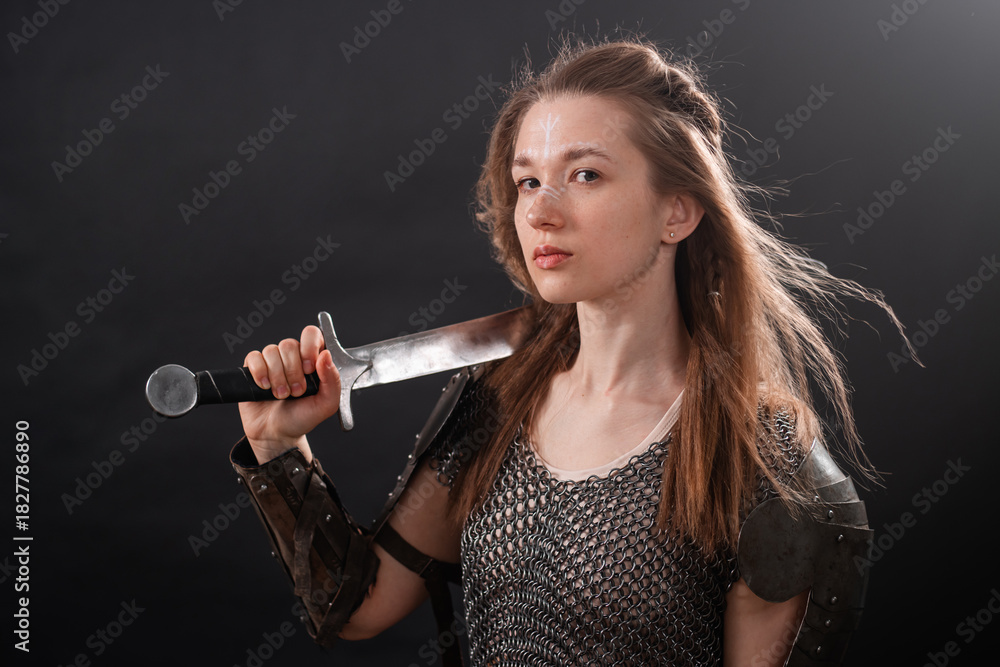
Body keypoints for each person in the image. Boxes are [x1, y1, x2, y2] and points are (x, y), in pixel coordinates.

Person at [229, 37, 905, 666]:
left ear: (678, 211)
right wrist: (277, 449)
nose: (541, 212)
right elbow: (358, 608)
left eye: (584, 175)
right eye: (528, 181)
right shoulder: (495, 402)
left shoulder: (762, 462)